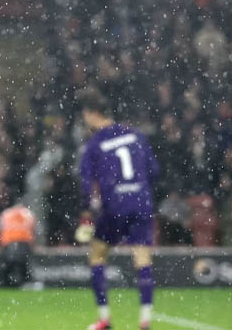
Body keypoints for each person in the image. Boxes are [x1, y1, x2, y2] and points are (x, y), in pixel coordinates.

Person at [76, 89, 159, 330]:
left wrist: (87, 213)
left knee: (97, 256)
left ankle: (104, 319)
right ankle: (145, 322)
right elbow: (154, 170)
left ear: (91, 114)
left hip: (114, 205)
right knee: (142, 257)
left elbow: (86, 185)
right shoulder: (135, 134)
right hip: (141, 202)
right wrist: (139, 190)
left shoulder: (94, 144)